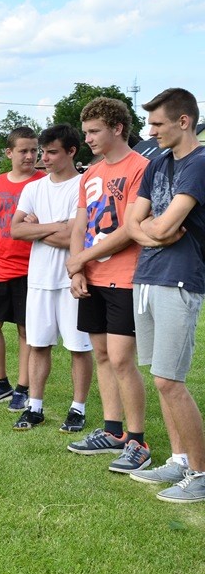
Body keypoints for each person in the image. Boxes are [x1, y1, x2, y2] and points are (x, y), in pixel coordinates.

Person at [125, 88, 205, 502]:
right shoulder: (157, 165)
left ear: (184, 121)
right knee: (161, 379)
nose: (150, 131)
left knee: (169, 380)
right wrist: (152, 235)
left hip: (180, 279)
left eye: (157, 124)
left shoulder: (200, 163)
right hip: (148, 276)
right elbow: (134, 222)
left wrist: (150, 231)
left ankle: (201, 471)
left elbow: (165, 222)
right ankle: (178, 460)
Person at [65, 97, 151, 473]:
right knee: (100, 354)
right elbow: (80, 226)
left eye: (95, 131)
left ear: (117, 128)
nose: (88, 139)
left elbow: (131, 229)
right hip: (92, 278)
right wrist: (78, 269)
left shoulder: (142, 168)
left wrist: (80, 259)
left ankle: (137, 441)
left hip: (126, 277)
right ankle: (112, 431)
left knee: (121, 358)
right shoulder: (89, 174)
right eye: (85, 132)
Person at [9, 124, 93, 431]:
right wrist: (55, 227)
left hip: (72, 278)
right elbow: (15, 229)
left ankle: (78, 408)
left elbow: (75, 236)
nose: (43, 158)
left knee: (78, 346)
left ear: (71, 152)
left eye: (52, 152)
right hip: (40, 279)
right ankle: (35, 406)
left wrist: (39, 229)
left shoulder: (83, 185)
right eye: (42, 151)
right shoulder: (33, 188)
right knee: (38, 344)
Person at [0, 127, 43, 409]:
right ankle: (0, 384)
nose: (30, 156)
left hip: (31, 268)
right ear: (9, 153)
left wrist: (38, 223)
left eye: (33, 150)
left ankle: (22, 389)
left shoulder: (44, 182)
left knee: (27, 331)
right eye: (23, 150)